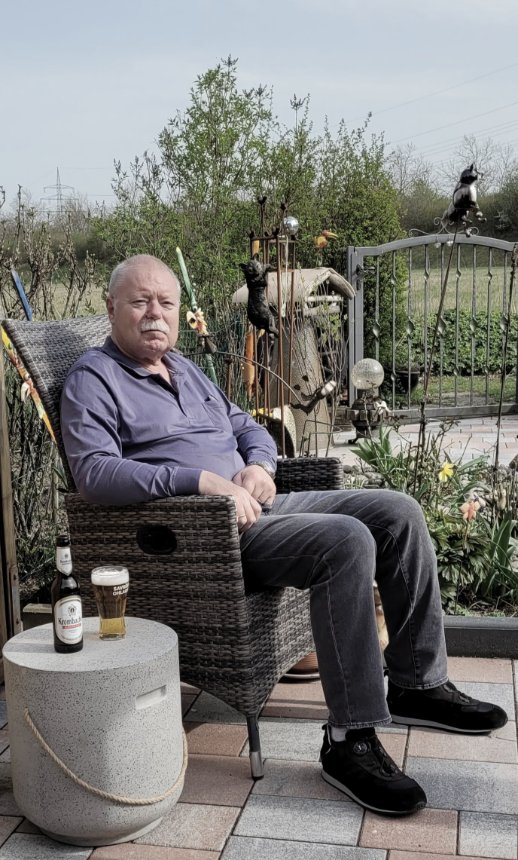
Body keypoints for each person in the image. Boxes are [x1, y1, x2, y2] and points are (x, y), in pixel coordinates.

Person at [61, 254, 507, 817]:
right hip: (205, 536)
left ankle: (417, 685)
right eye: (140, 301)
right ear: (111, 308)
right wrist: (201, 482)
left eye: (166, 303)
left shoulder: (185, 369)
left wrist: (260, 465)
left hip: (258, 504)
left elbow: (246, 425)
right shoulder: (93, 379)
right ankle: (349, 741)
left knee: (398, 512)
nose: (156, 314)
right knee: (347, 541)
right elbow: (95, 474)